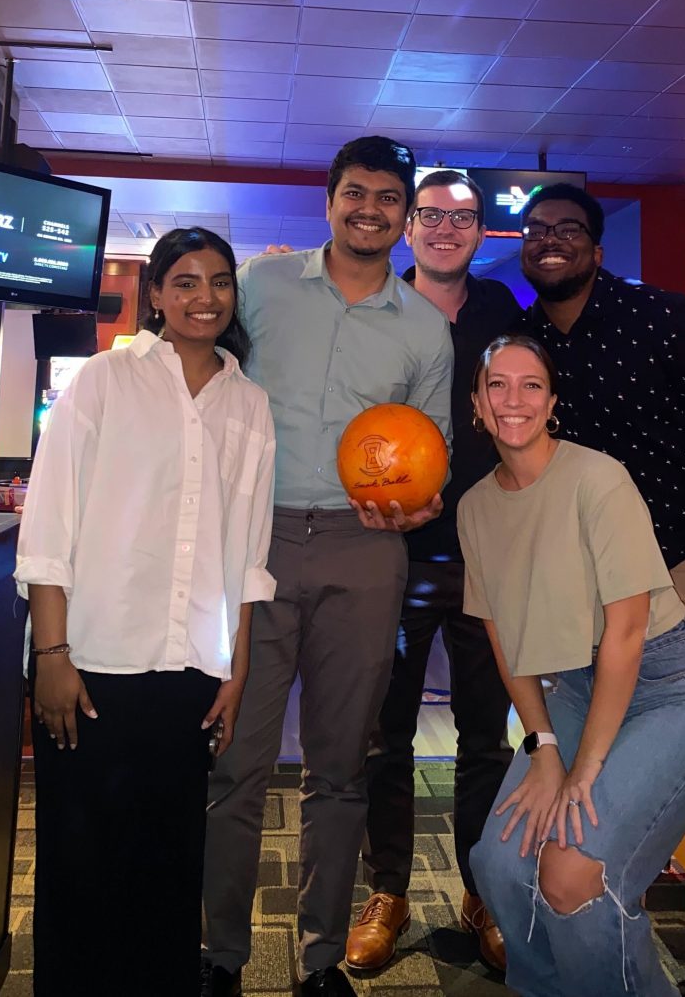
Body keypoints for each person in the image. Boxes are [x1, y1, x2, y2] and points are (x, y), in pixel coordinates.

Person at [201, 136, 454, 997]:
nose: (370, 209)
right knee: (236, 758)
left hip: (364, 546)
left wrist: (418, 508)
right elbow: (197, 369)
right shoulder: (263, 286)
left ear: (405, 216)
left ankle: (318, 961)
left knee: (341, 766)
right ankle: (220, 955)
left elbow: (434, 456)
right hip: (254, 540)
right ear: (330, 200)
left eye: (389, 198)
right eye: (356, 192)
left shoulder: (425, 328)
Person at [14, 227, 276, 997]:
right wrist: (52, 658)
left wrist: (235, 671)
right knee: (80, 861)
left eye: (220, 282)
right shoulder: (102, 380)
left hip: (191, 672)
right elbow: (50, 528)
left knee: (167, 864)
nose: (205, 297)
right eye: (186, 282)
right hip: (92, 663)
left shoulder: (251, 404)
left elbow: (248, 558)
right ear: (155, 293)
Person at [515, 183, 685, 997]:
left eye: (569, 231)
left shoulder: (659, 316)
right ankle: (609, 904)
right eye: (537, 230)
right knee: (601, 752)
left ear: (596, 245)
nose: (551, 242)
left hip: (683, 570)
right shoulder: (520, 342)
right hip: (578, 592)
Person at [460, 334, 685, 996]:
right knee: (500, 867)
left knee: (573, 872)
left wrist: (582, 768)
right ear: (476, 403)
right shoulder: (475, 509)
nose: (514, 400)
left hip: (674, 687)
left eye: (531, 385)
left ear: (552, 402)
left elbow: (629, 629)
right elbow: (507, 643)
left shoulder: (596, 478)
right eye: (497, 385)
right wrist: (545, 749)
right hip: (578, 689)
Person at [346, 170, 521, 975]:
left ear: (482, 231)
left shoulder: (503, 315)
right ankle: (388, 889)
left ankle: (482, 891)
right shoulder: (381, 306)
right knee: (386, 733)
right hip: (394, 550)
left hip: (487, 553)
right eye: (432, 215)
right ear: (408, 227)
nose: (446, 228)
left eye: (463, 217)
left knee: (486, 735)